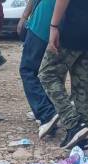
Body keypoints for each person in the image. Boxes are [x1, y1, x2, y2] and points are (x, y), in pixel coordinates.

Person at [39, 0, 88, 150]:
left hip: (73, 28)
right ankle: (81, 136)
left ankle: (73, 124)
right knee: (81, 83)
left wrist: (54, 26)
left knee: (47, 74)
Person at [18, 0, 59, 138]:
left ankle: (47, 114)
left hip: (43, 23)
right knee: (48, 72)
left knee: (28, 70)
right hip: (63, 25)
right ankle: (50, 110)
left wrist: (24, 16)